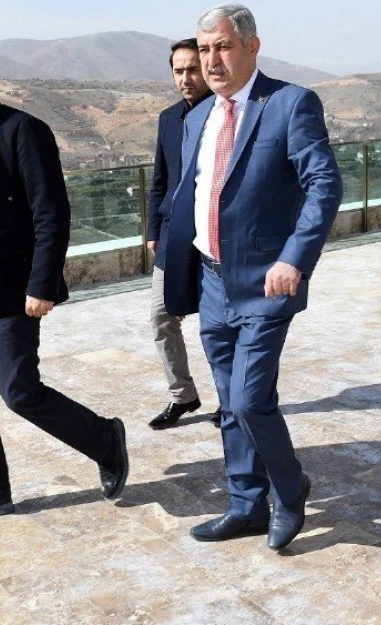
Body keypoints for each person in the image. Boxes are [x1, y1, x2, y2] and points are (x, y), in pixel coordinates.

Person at [0, 46, 129, 525]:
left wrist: (42, 284)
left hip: (7, 292)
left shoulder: (21, 131)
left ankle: (103, 438)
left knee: (20, 392)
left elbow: (50, 213)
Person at [164, 4, 341, 550]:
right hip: (211, 280)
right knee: (228, 402)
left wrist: (294, 258)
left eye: (222, 47)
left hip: (267, 282)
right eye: (204, 49)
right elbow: (191, 195)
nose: (211, 61)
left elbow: (324, 184)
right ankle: (245, 503)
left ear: (251, 46)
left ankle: (289, 489)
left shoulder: (289, 104)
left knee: (248, 400)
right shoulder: (197, 117)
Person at [146, 38, 219, 430]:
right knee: (161, 318)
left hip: (212, 235)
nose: (186, 78)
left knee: (216, 324)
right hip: (172, 236)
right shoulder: (167, 118)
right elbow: (160, 179)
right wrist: (152, 230)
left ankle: (230, 400)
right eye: (178, 71)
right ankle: (182, 395)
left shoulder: (224, 114)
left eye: (192, 69)